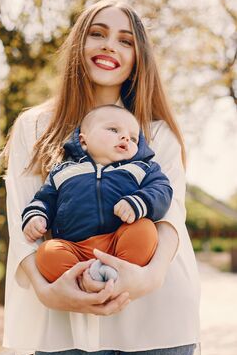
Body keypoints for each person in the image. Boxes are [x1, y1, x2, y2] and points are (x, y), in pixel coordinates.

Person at [3, 0, 200, 355]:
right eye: (98, 33)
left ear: (137, 58)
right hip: (70, 302)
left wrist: (149, 277)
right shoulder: (35, 127)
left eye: (125, 40)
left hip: (159, 307)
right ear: (79, 43)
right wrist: (48, 292)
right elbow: (20, 217)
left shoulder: (157, 132)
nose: (110, 46)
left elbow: (170, 218)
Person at [21, 104, 173, 284]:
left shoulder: (141, 168)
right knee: (47, 252)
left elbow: (162, 189)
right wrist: (36, 217)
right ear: (84, 141)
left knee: (144, 230)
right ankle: (84, 279)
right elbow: (44, 199)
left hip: (119, 240)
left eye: (133, 138)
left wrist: (138, 202)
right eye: (113, 129)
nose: (126, 137)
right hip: (76, 248)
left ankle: (118, 271)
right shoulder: (63, 172)